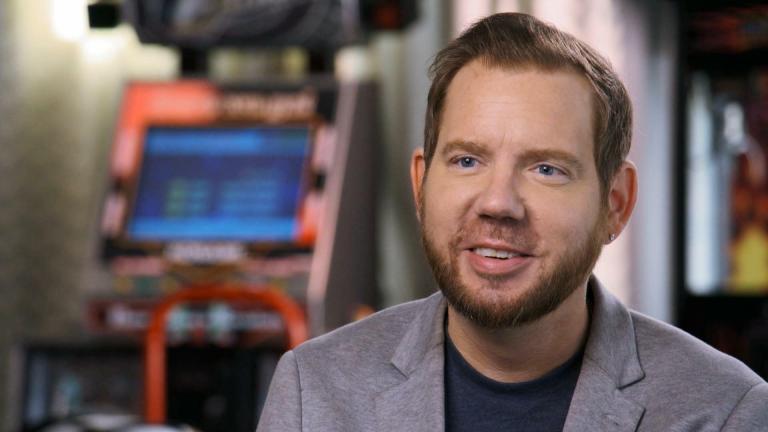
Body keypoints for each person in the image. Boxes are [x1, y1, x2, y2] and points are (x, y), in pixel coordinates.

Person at [257, 12, 768, 432]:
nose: (498, 203)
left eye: (546, 169)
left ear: (615, 203)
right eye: (466, 161)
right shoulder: (314, 391)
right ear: (420, 184)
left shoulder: (724, 410)